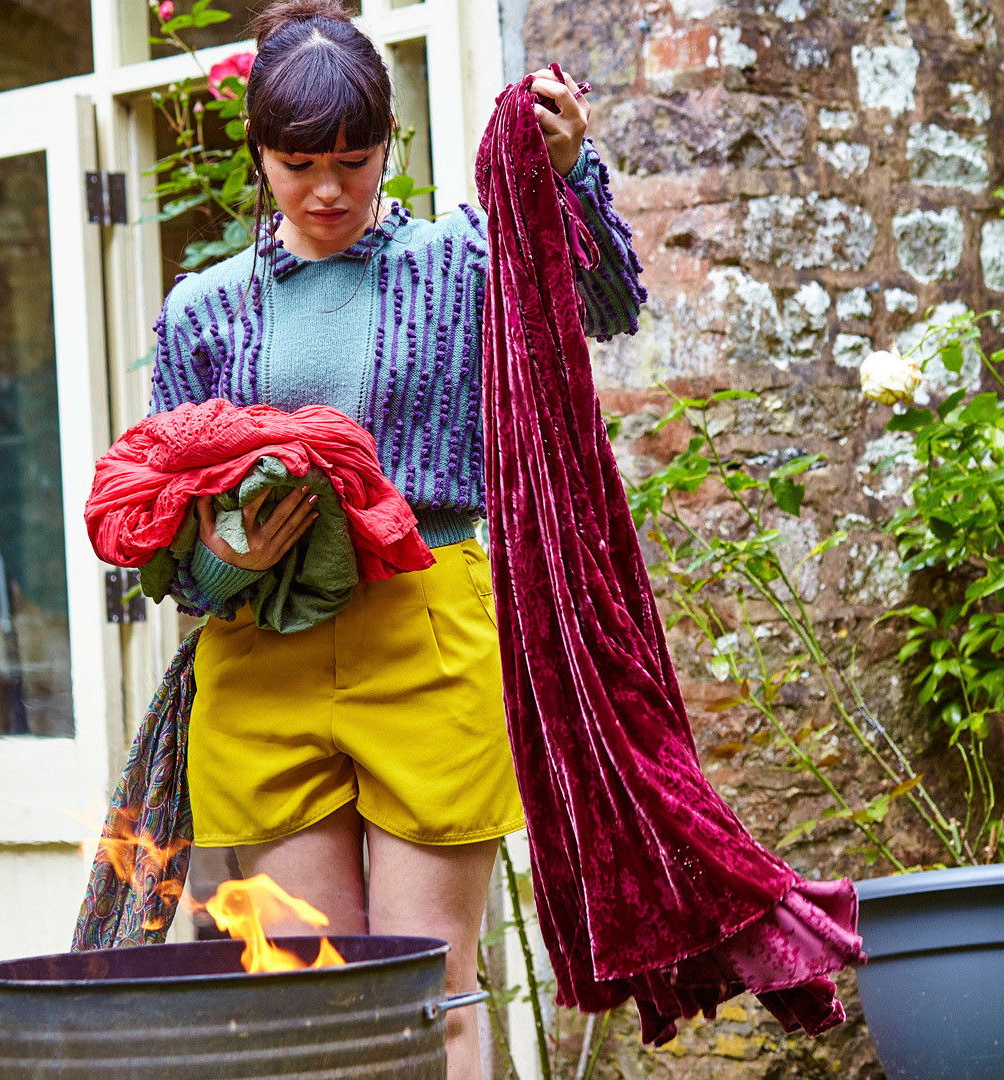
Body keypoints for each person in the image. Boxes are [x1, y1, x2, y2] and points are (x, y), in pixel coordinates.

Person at [146, 2, 647, 1076]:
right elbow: (168, 542)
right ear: (258, 157)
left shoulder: (461, 264)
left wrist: (565, 172)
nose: (328, 190)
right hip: (261, 653)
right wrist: (227, 561)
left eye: (353, 160)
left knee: (433, 995)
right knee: (316, 1007)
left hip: (424, 631)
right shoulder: (202, 314)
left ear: (388, 146)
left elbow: (599, 305)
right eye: (297, 164)